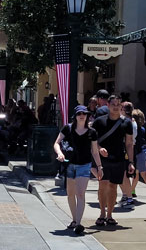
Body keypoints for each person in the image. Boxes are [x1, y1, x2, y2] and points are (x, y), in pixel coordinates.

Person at [54, 106, 102, 234]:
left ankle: (79, 223)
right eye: (79, 113)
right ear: (75, 115)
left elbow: (95, 151)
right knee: (70, 194)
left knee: (80, 193)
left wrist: (99, 167)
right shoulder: (67, 128)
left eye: (84, 113)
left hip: (84, 165)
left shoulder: (92, 132)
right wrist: (59, 153)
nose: (82, 115)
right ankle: (74, 219)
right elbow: (56, 143)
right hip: (70, 164)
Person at [91, 94, 135, 228]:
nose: (116, 107)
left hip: (118, 158)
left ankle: (110, 214)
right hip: (103, 159)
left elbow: (129, 143)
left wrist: (131, 162)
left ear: (121, 106)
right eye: (113, 104)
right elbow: (93, 141)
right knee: (103, 185)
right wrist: (99, 149)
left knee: (113, 186)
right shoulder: (99, 122)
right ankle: (102, 214)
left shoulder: (126, 123)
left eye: (118, 105)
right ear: (108, 106)